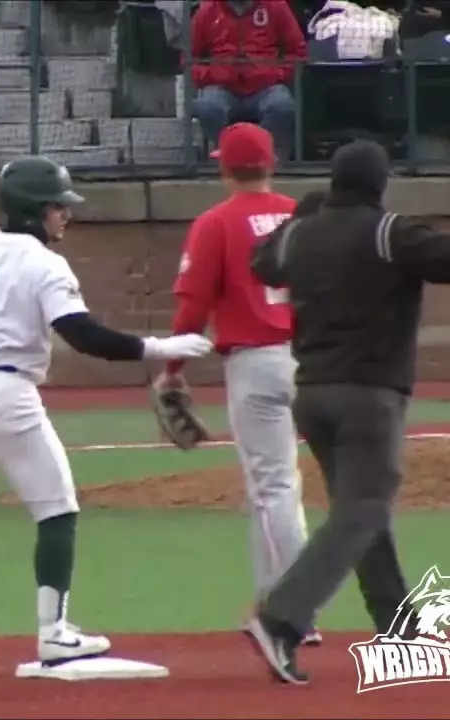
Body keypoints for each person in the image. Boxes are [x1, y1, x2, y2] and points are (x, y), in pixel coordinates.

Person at [244, 140, 450, 685]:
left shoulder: (302, 234)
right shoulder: (388, 233)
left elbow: (262, 264)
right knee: (362, 511)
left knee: (362, 511)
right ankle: (282, 618)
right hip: (368, 397)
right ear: (380, 184)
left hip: (313, 396)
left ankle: (399, 628)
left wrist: (302, 212)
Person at [0, 156, 215, 678]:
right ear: (34, 209)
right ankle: (54, 633)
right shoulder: (45, 264)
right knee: (58, 511)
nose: (66, 214)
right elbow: (83, 336)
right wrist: (159, 346)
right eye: (58, 206)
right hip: (6, 393)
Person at [159, 122, 320, 647]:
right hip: (317, 359)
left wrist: (172, 368)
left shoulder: (216, 223)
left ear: (225, 168)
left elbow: (193, 309)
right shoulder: (304, 216)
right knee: (286, 487)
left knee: (273, 487)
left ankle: (293, 612)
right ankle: (276, 599)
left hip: (257, 364)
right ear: (272, 163)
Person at [189, 0, 307, 161]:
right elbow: (189, 58)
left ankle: (263, 152)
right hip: (221, 86)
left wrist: (278, 74)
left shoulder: (275, 6)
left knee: (281, 105)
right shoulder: (208, 9)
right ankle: (228, 152)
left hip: (266, 85)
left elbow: (298, 50)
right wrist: (211, 75)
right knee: (208, 106)